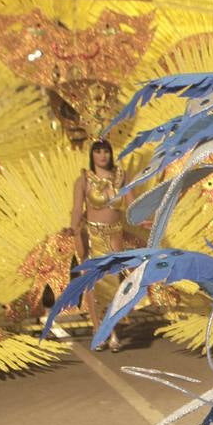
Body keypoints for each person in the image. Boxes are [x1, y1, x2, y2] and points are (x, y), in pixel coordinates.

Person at [71, 139, 129, 352]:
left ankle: (111, 328)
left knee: (114, 284)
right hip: (92, 235)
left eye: (106, 151)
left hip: (115, 234)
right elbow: (77, 209)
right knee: (92, 286)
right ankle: (99, 330)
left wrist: (145, 218)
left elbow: (132, 203)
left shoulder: (121, 177)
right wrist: (73, 228)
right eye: (98, 152)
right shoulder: (84, 181)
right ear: (92, 155)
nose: (102, 156)